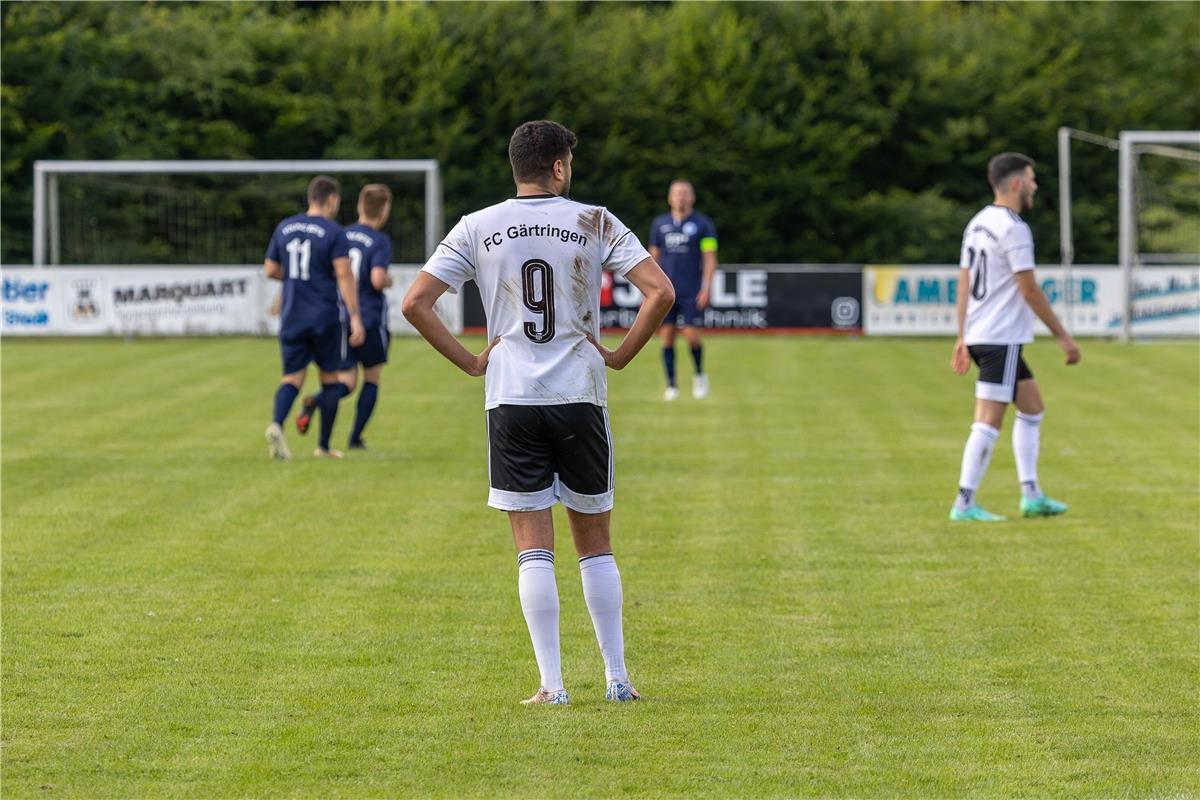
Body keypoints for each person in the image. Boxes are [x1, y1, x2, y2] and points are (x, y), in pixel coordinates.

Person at [402, 120, 674, 705]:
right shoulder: (593, 219)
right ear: (558, 167)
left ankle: (552, 686)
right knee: (594, 542)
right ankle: (618, 679)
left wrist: (473, 362)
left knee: (533, 546)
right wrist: (621, 355)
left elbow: (415, 303)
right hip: (579, 393)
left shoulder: (478, 225)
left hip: (511, 399)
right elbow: (661, 291)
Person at [949, 152, 1081, 521]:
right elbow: (1030, 290)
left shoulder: (977, 223)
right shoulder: (1013, 227)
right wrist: (1064, 337)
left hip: (982, 334)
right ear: (1017, 183)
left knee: (1032, 406)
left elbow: (964, 282)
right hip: (1000, 336)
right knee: (988, 420)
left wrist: (961, 335)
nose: (1036, 186)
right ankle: (964, 502)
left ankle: (1031, 495)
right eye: (1032, 178)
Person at [263, 175, 365, 460]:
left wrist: (298, 279)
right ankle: (323, 446)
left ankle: (276, 423)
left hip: (292, 315)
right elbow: (344, 274)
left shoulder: (284, 227)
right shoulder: (334, 232)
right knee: (330, 380)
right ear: (331, 199)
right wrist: (355, 316)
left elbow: (270, 269)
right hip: (324, 317)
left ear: (310, 197)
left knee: (292, 378)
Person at [296, 184, 394, 450]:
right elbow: (376, 279)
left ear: (360, 206)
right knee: (371, 378)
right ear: (384, 210)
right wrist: (387, 280)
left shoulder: (341, 233)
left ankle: (316, 401)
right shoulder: (379, 241)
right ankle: (355, 438)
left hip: (343, 317)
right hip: (370, 318)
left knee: (346, 381)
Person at [648, 180, 718, 400]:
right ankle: (671, 385)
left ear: (692, 197)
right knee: (666, 336)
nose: (681, 197)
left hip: (691, 290)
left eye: (685, 193)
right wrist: (650, 288)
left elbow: (709, 259)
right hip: (666, 292)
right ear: (670, 198)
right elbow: (652, 258)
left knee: (691, 335)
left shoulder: (703, 224)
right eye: (677, 193)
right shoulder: (659, 224)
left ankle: (699, 375)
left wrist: (706, 287)